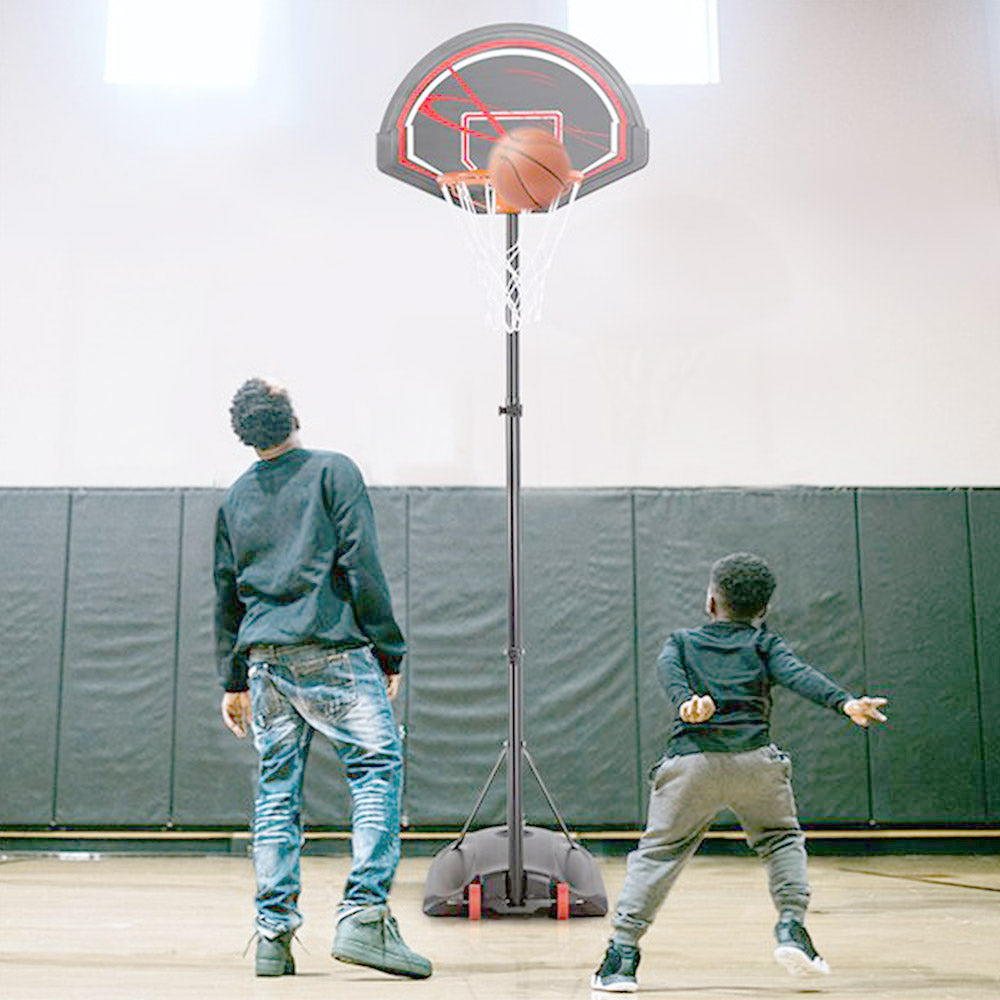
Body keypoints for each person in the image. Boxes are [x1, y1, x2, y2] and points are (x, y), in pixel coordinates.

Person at [214, 377, 431, 980]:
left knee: (276, 794)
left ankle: (272, 937)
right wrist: (388, 650)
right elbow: (361, 562)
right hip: (333, 651)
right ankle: (363, 916)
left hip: (264, 661)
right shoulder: (335, 471)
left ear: (243, 433)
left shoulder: (234, 498)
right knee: (375, 771)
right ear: (292, 417)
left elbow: (227, 597)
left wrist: (233, 680)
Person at [592, 552, 888, 993]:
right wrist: (843, 701)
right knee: (781, 839)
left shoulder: (681, 642)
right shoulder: (764, 644)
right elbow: (798, 674)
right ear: (763, 609)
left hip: (691, 763)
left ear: (711, 602)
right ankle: (792, 928)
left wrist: (686, 703)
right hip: (755, 763)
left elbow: (668, 674)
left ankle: (621, 958)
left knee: (658, 855)